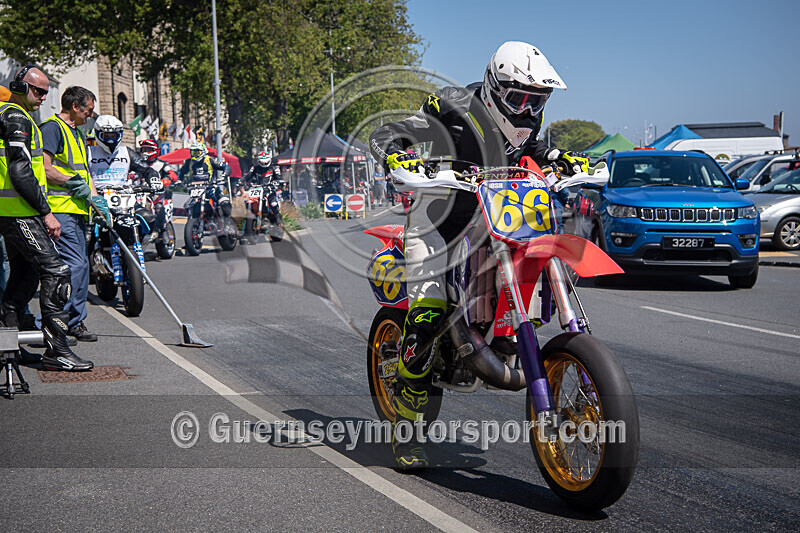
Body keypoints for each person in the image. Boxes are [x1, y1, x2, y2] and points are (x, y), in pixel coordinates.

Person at [369, 41, 589, 469]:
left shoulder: (529, 118)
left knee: (535, 260)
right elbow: (397, 130)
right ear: (494, 87)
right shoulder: (452, 105)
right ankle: (407, 429)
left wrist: (560, 159)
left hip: (496, 217)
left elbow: (528, 150)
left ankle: (506, 337)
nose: (527, 110)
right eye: (519, 98)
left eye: (536, 101)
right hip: (439, 223)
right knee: (428, 315)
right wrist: (398, 151)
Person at [0, 65, 94, 370]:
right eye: (38, 90)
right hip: (20, 213)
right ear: (19, 85)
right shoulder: (15, 116)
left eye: (44, 91)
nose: (43, 96)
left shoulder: (21, 116)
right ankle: (57, 350)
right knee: (57, 271)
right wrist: (46, 211)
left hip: (16, 212)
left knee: (24, 278)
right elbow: (20, 170)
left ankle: (9, 352)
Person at [39, 85, 109, 342]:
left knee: (80, 267)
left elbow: (85, 173)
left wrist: (96, 201)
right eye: (88, 110)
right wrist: (72, 182)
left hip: (77, 211)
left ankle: (74, 322)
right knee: (75, 267)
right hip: (60, 211)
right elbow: (44, 169)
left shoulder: (78, 133)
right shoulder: (52, 129)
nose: (91, 115)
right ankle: (58, 323)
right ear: (75, 107)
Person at [88, 115, 159, 188]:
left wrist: (154, 179)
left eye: (114, 136)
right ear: (97, 134)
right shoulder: (88, 151)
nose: (110, 140)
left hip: (124, 195)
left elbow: (146, 169)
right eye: (106, 136)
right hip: (95, 195)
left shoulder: (126, 152)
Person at [178, 141, 232, 216]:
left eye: (197, 153)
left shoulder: (210, 160)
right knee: (187, 205)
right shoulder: (189, 162)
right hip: (195, 189)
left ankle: (227, 223)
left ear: (203, 152)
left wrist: (223, 176)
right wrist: (179, 180)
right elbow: (182, 172)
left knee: (224, 202)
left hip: (211, 188)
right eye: (193, 152)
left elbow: (225, 166)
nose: (195, 155)